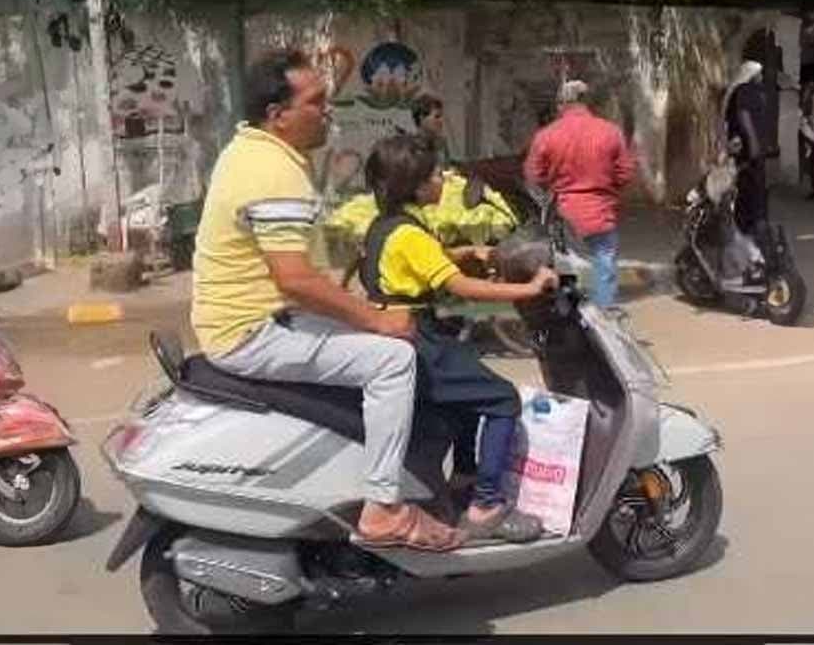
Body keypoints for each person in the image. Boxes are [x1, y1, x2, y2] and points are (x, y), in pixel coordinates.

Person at [192, 49, 462, 552]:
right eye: (316, 102)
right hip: (254, 332)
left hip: (251, 319)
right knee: (394, 361)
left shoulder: (247, 150)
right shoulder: (275, 172)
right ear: (279, 115)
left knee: (375, 337)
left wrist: (357, 301)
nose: (328, 111)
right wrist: (375, 318)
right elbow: (294, 278)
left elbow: (299, 263)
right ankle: (382, 507)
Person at [359, 134, 556, 542]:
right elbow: (463, 288)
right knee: (502, 398)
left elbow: (420, 262)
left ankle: (463, 481)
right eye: (435, 174)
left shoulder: (389, 226)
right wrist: (530, 288)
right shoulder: (410, 234)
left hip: (398, 333)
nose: (444, 179)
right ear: (415, 185)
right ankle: (486, 506)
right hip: (417, 338)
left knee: (466, 401)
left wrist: (469, 252)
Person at [524, 79, 635, 307]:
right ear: (586, 101)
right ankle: (604, 314)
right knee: (604, 264)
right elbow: (625, 174)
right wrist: (608, 192)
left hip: (564, 216)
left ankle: (570, 315)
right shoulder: (611, 132)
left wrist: (552, 187)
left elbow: (533, 175)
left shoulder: (547, 135)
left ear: (561, 104)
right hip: (602, 214)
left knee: (565, 269)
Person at [722, 61, 771, 243]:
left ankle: (748, 225)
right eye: (759, 73)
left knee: (749, 185)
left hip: (748, 147)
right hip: (749, 148)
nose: (761, 77)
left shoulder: (742, 91)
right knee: (752, 185)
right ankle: (752, 226)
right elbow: (744, 116)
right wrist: (753, 143)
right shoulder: (745, 90)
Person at [411, 93, 451, 168]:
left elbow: (446, 169)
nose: (441, 120)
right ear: (422, 118)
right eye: (437, 116)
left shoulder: (441, 144)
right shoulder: (411, 148)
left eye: (441, 116)